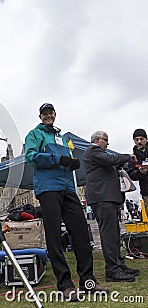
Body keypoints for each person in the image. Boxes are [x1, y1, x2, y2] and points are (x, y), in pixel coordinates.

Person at [25, 103, 108, 300]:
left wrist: (72, 163)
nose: (48, 116)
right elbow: (30, 157)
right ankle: (65, 285)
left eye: (50, 113)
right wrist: (57, 159)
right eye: (44, 113)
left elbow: (65, 159)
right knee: (54, 236)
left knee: (80, 231)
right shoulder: (34, 135)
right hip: (48, 188)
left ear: (54, 115)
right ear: (40, 116)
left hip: (67, 188)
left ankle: (88, 281)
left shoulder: (61, 137)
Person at [83, 130, 140, 282]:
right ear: (97, 140)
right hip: (102, 198)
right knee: (109, 234)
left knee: (114, 234)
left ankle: (118, 264)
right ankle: (112, 270)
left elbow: (114, 163)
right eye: (106, 140)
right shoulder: (93, 150)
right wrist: (127, 156)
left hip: (109, 198)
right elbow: (110, 159)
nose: (108, 143)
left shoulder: (100, 156)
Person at [128, 129, 148, 218]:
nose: (139, 141)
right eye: (136, 139)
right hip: (146, 192)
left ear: (146, 139)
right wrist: (140, 172)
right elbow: (131, 174)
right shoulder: (133, 158)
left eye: (141, 139)